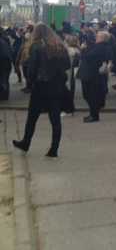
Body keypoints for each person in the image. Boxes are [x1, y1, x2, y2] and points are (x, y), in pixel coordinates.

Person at [12, 23, 71, 158]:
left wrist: (31, 82)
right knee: (55, 118)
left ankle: (26, 143)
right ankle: (54, 149)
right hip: (57, 86)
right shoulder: (59, 46)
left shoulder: (36, 47)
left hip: (41, 86)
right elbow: (67, 65)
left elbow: (32, 69)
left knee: (32, 117)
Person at [78, 30, 109, 122]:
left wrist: (83, 49)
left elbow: (88, 57)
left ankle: (94, 115)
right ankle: (93, 114)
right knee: (89, 95)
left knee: (90, 95)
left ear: (102, 38)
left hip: (92, 75)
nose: (96, 37)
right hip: (92, 74)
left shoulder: (100, 47)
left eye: (98, 36)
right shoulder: (98, 46)